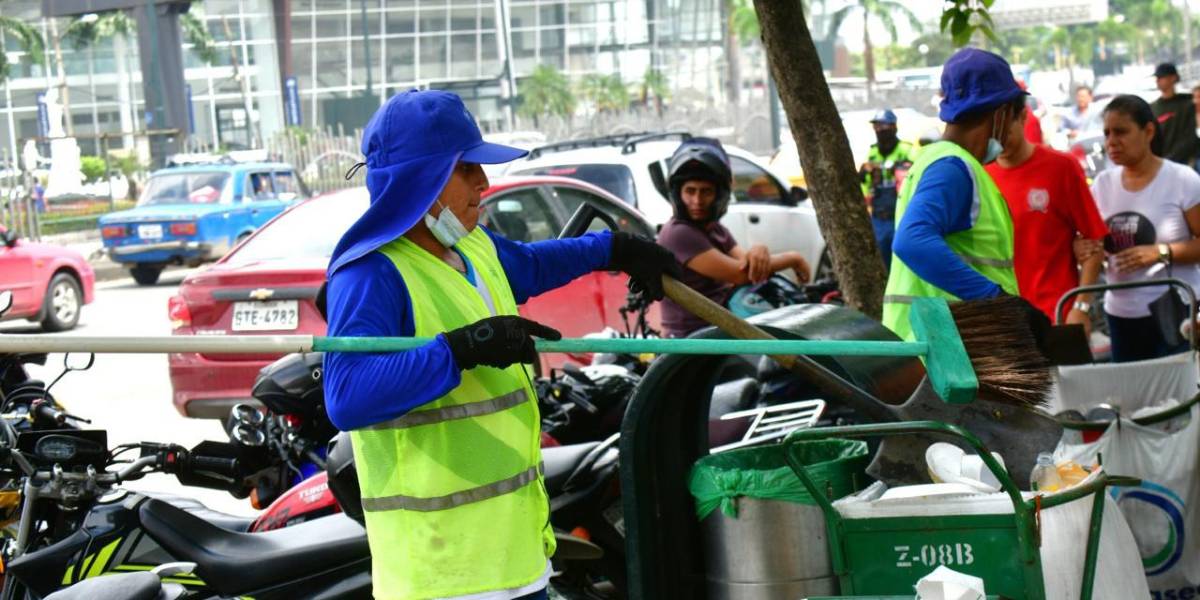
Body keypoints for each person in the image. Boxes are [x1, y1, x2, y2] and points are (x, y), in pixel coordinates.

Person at [321, 90, 679, 600]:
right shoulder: (371, 274)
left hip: (513, 561)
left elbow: (531, 264)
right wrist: (461, 350)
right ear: (416, 180)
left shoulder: (469, 245)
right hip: (442, 576)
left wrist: (614, 249)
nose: (483, 183)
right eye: (466, 168)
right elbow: (346, 396)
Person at [882, 47, 1021, 341]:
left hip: (942, 347)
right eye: (1012, 117)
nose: (1010, 131)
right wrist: (994, 300)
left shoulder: (939, 161)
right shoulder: (952, 168)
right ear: (1001, 112)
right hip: (946, 353)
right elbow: (911, 241)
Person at [1081, 95, 1200, 362]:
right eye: (1107, 133)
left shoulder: (1182, 179)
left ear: (1148, 131)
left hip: (1176, 315)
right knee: (1132, 398)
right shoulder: (1102, 184)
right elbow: (1090, 243)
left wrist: (1162, 252)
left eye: (1121, 132)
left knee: (1178, 398)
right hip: (1121, 317)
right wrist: (1083, 246)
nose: (1111, 141)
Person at [657, 138, 810, 338]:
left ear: (719, 195)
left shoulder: (715, 230)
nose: (697, 201)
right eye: (690, 191)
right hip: (692, 342)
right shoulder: (679, 233)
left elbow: (748, 265)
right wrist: (793, 258)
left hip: (718, 329)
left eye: (706, 192)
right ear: (678, 194)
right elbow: (741, 274)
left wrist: (758, 250)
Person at [985, 89, 1107, 331]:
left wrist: (1080, 307)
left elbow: (1094, 242)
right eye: (993, 131)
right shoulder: (980, 174)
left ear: (1023, 117)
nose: (1000, 139)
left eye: (1006, 129)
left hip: (1057, 314)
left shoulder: (1062, 167)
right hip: (1004, 321)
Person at [859, 109, 914, 269]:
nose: (880, 131)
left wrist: (899, 169)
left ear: (893, 127)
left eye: (884, 126)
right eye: (876, 127)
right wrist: (863, 173)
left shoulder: (906, 150)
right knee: (882, 261)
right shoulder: (873, 152)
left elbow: (916, 172)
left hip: (902, 214)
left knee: (903, 260)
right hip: (879, 217)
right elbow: (866, 184)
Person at [1151, 63, 1200, 166]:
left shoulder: (1190, 103)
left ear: (1173, 78)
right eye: (1157, 77)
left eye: (1161, 77)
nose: (1157, 80)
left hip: (1188, 162)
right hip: (1163, 163)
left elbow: (1191, 135)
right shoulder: (1153, 108)